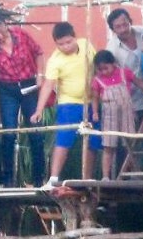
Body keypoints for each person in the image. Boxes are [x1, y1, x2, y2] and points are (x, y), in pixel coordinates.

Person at [31, 22, 100, 186]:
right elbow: (48, 85)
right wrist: (39, 109)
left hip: (92, 102)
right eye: (60, 44)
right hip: (68, 103)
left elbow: (97, 67)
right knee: (63, 140)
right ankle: (53, 178)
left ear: (75, 37)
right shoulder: (55, 60)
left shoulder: (86, 44)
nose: (65, 47)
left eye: (68, 42)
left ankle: (87, 178)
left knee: (92, 140)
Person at [0, 19, 46, 188]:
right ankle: (8, 179)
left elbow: (39, 52)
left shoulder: (21, 34)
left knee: (35, 131)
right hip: (7, 89)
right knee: (9, 132)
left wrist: (40, 74)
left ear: (5, 25)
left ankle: (38, 178)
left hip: (28, 85)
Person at [91, 50, 143, 180]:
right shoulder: (97, 80)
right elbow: (95, 97)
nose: (104, 72)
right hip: (109, 115)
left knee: (128, 143)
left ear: (113, 63)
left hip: (127, 113)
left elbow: (140, 84)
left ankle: (130, 173)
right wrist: (95, 112)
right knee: (108, 145)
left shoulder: (124, 73)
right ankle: (105, 176)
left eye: (106, 68)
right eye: (100, 69)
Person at [106, 8, 143, 123]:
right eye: (118, 27)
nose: (123, 29)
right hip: (131, 99)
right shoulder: (111, 49)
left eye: (125, 24)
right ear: (112, 29)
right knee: (136, 135)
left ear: (130, 21)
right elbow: (113, 78)